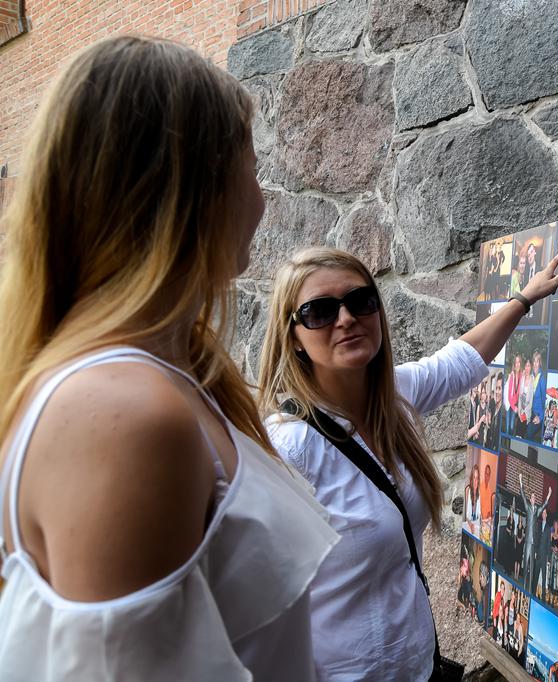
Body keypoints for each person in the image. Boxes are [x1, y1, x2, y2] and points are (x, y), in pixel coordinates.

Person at [0, 36, 341, 681]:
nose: (262, 199)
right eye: (251, 169)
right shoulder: (122, 414)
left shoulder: (174, 375)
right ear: (196, 189)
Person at [258, 240, 558, 679]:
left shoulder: (392, 397)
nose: (346, 319)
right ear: (293, 335)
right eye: (319, 311)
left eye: (360, 300)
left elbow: (458, 362)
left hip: (417, 666)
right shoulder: (289, 448)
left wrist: (524, 298)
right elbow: (258, 607)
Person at [464, 463, 482, 533]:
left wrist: (483, 521)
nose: (475, 481)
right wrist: (471, 525)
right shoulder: (467, 490)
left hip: (476, 525)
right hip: (468, 526)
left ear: (478, 480)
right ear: (471, 478)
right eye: (474, 477)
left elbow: (479, 514)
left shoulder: (479, 492)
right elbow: (465, 515)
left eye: (477, 478)